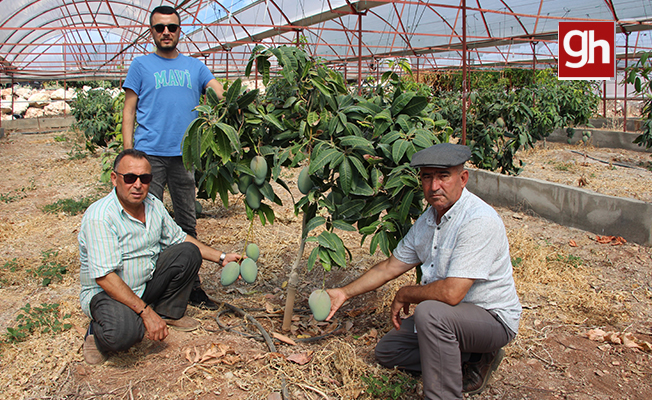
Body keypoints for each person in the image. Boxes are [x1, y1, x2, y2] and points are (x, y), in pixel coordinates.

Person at [325, 143, 522, 399]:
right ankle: (469, 357)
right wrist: (343, 292)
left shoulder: (478, 221)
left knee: (430, 312)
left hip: (491, 319)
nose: (434, 186)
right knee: (389, 351)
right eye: (427, 177)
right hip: (452, 318)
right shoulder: (429, 219)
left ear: (463, 179)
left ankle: (446, 392)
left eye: (443, 176)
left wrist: (405, 293)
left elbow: (452, 293)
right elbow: (389, 267)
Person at [79, 149, 240, 365]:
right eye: (130, 178)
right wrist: (145, 313)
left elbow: (179, 238)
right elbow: (105, 278)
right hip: (108, 293)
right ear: (114, 178)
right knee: (126, 334)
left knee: (188, 252)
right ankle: (96, 336)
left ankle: (167, 312)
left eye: (144, 178)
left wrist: (222, 258)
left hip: (143, 284)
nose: (138, 184)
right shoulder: (100, 217)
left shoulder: (153, 205)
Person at [122, 5, 225, 309]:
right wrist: (128, 153)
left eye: (172, 27)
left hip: (184, 156)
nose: (166, 32)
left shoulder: (195, 66)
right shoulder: (141, 65)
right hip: (148, 156)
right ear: (151, 32)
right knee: (144, 222)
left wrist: (238, 105)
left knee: (186, 222)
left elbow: (217, 90)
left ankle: (192, 287)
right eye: (159, 28)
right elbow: (129, 109)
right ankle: (148, 288)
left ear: (180, 31)